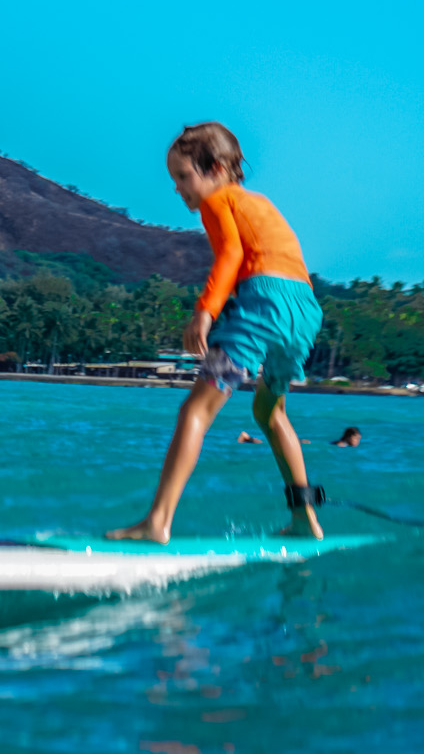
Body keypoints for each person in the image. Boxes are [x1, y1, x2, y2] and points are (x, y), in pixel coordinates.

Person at [110, 122, 325, 543]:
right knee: (270, 413)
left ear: (217, 169)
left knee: (196, 411)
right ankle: (305, 519)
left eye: (183, 176)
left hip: (263, 306)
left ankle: (157, 523)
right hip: (302, 311)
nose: (177, 188)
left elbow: (231, 253)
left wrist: (205, 312)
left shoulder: (217, 199)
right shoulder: (260, 203)